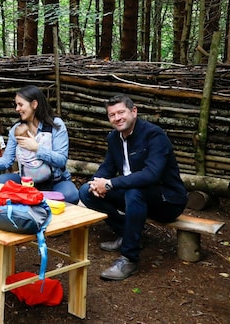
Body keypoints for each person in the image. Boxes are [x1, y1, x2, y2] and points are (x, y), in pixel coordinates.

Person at [78, 95, 187, 281]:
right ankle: (125, 233)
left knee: (134, 191)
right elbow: (108, 167)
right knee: (85, 192)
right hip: (135, 196)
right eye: (112, 115)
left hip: (167, 200)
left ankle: (129, 258)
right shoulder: (114, 138)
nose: (117, 118)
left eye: (121, 112)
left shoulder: (154, 135)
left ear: (133, 112)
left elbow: (151, 174)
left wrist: (110, 184)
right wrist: (95, 182)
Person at [0, 85, 79, 205]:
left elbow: (61, 160)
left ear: (34, 104)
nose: (17, 109)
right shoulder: (17, 129)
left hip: (55, 182)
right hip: (27, 182)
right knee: (0, 182)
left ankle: (33, 201)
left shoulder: (56, 125)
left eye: (20, 104)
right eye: (16, 105)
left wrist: (36, 148)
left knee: (70, 195)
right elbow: (7, 161)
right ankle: (36, 201)